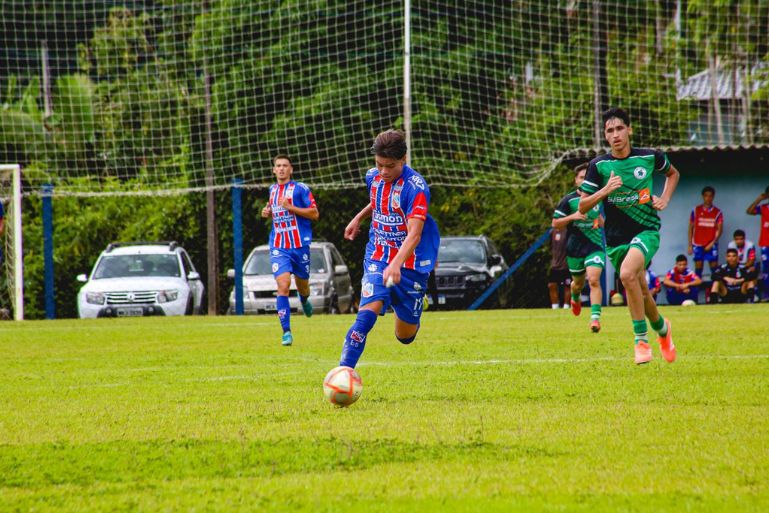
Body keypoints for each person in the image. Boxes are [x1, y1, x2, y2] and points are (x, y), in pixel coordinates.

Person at [578, 107, 680, 365]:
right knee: (641, 290)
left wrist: (665, 198)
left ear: (629, 129)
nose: (615, 135)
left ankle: (640, 340)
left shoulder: (649, 157)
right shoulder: (598, 166)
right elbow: (582, 207)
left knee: (626, 275)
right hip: (615, 238)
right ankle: (663, 330)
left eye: (619, 128)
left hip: (646, 230)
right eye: (610, 130)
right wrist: (606, 190)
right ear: (605, 134)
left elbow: (673, 173)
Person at [338, 129, 440, 370]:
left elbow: (414, 234)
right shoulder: (373, 177)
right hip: (378, 254)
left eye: (390, 166)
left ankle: (406, 301)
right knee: (365, 316)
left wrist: (396, 264)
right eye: (379, 164)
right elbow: (378, 201)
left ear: (403, 159)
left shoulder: (416, 188)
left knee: (405, 336)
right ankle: (344, 372)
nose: (383, 171)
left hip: (410, 263)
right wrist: (359, 218)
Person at [261, 155, 319, 346]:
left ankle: (304, 299)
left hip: (299, 245)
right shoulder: (272, 190)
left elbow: (314, 214)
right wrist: (267, 212)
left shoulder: (301, 189)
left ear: (291, 169)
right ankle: (286, 332)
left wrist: (291, 207)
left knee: (303, 285)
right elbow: (272, 209)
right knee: (283, 286)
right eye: (278, 166)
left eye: (285, 166)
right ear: (274, 170)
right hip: (279, 245)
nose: (282, 169)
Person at [552, 163, 606, 332]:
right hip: (574, 248)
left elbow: (601, 219)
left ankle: (595, 319)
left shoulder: (598, 198)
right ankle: (575, 296)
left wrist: (599, 221)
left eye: (587, 178)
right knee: (577, 284)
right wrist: (573, 216)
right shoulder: (568, 201)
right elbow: (555, 224)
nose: (585, 181)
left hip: (595, 246)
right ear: (576, 181)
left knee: (594, 279)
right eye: (582, 178)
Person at [688, 186, 723, 279]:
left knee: (714, 268)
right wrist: (690, 245)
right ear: (703, 196)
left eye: (710, 196)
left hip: (711, 244)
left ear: (713, 197)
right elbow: (691, 228)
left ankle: (714, 292)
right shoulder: (695, 210)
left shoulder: (717, 212)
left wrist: (712, 243)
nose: (708, 198)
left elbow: (719, 230)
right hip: (698, 243)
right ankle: (696, 291)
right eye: (706, 196)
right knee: (698, 267)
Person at [746, 185, 769, 301]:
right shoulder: (764, 207)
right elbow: (749, 211)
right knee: (766, 270)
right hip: (766, 243)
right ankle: (766, 294)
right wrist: (759, 199)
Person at [546, 227, 571, 310]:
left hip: (566, 265)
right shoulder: (552, 232)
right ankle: (555, 307)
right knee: (551, 285)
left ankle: (566, 306)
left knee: (567, 286)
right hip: (555, 265)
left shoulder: (568, 232)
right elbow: (550, 246)